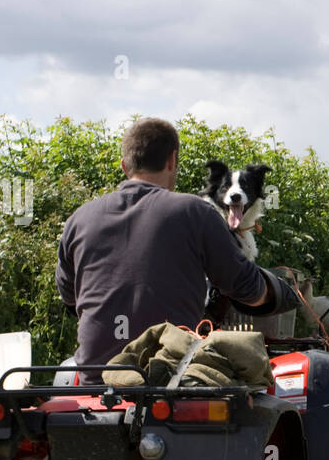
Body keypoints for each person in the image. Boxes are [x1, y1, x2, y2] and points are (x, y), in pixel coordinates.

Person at [56, 118, 299, 384]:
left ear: (125, 166)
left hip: (94, 379)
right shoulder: (195, 212)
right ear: (172, 160)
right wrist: (283, 292)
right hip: (169, 378)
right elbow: (248, 290)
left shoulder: (78, 220)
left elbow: (71, 300)